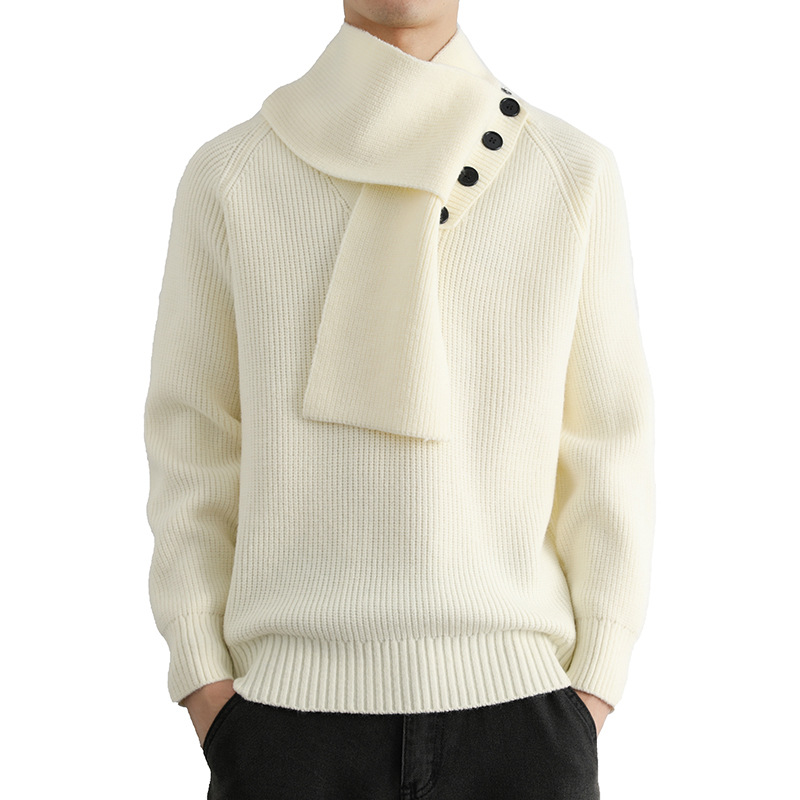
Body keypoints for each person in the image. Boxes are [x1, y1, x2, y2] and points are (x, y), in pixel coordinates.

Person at [143, 1, 656, 797]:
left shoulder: (570, 173)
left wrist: (594, 682)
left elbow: (607, 443)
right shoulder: (231, 175)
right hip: (283, 724)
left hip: (520, 717)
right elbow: (194, 442)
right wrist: (204, 679)